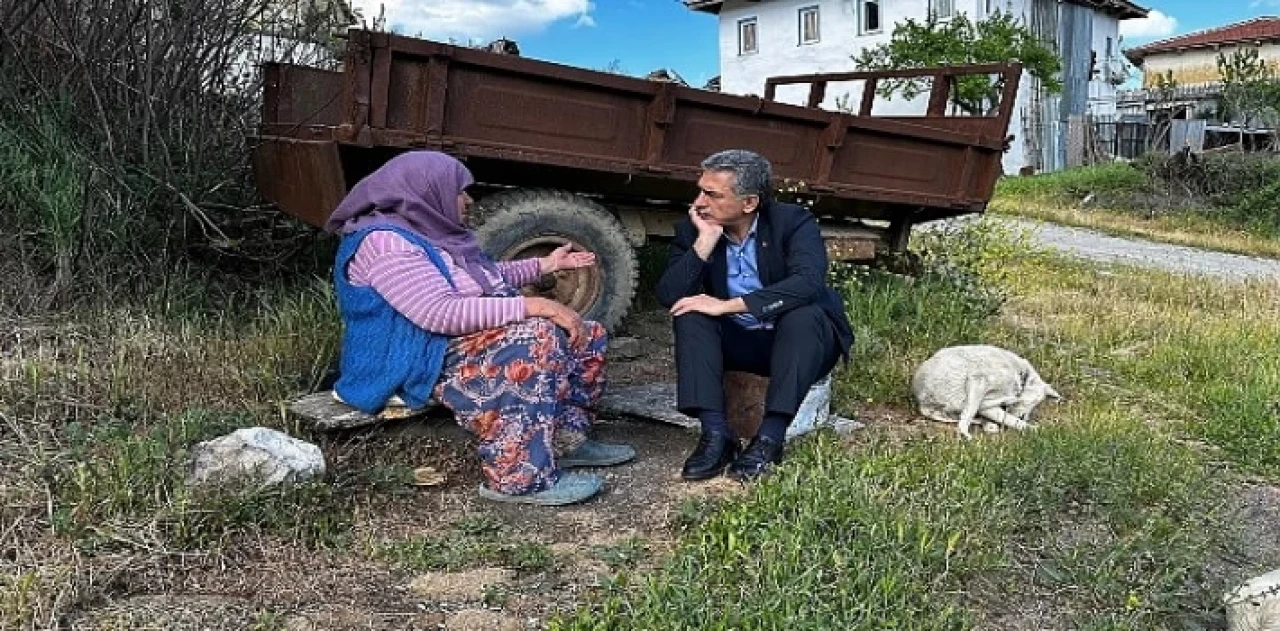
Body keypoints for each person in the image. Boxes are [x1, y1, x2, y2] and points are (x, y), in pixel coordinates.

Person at [325, 151, 635, 505]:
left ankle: (564, 442)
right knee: (536, 336)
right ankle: (517, 478)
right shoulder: (384, 243)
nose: (468, 200)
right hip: (412, 359)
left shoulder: (427, 230)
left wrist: (544, 265)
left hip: (443, 347)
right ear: (427, 191)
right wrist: (534, 305)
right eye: (460, 191)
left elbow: (478, 278)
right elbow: (437, 311)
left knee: (587, 333)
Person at [656, 149, 853, 482]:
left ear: (749, 203)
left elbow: (807, 283)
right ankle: (717, 437)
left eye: (712, 194)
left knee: (805, 315)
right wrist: (704, 244)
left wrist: (727, 305)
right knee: (690, 311)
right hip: (739, 341)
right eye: (701, 189)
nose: (699, 202)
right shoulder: (696, 228)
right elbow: (668, 295)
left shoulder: (792, 222)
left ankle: (769, 440)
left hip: (794, 342)